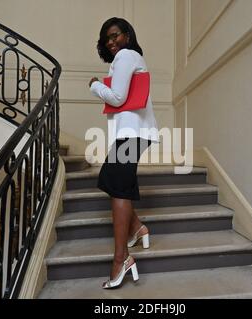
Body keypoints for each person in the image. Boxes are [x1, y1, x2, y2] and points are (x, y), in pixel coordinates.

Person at [88, 17, 160, 289]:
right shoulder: (128, 58)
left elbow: (117, 97)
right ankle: (138, 228)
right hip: (133, 132)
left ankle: (121, 258)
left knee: (117, 187)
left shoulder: (127, 55)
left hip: (132, 133)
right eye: (107, 39)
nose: (111, 41)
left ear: (127, 36)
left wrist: (95, 85)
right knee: (111, 179)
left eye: (115, 35)